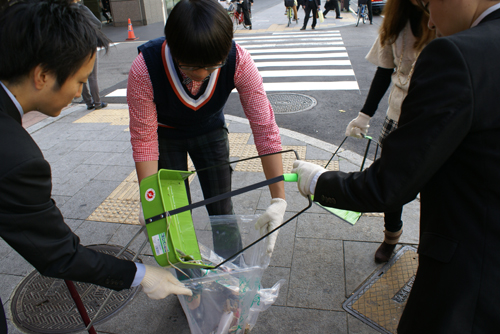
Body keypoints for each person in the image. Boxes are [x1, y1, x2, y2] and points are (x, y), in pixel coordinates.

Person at [292, 0, 500, 331]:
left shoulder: (457, 55)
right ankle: (391, 236)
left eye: (431, 4)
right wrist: (365, 114)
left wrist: (317, 181)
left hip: (468, 279)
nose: (431, 21)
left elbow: (388, 185)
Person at [0, 1, 193, 332]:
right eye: (80, 81)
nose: (80, 93)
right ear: (42, 75)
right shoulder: (17, 158)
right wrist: (143, 275)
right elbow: (60, 255)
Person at [127, 0, 286, 259]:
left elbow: (264, 127)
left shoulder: (239, 61)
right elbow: (144, 140)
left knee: (222, 206)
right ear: (172, 48)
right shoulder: (145, 68)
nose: (201, 74)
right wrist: (151, 201)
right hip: (165, 136)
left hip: (210, 130)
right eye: (190, 67)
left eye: (212, 66)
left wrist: (278, 199)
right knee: (175, 212)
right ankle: (189, 281)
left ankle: (231, 275)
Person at [344, 0, 434, 263]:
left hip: (433, 116)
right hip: (397, 114)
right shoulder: (395, 20)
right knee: (391, 182)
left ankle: (431, 244)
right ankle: (391, 236)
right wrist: (364, 116)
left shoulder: (442, 17)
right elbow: (384, 72)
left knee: (434, 185)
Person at [75, 0, 108, 110]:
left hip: (74, 47)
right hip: (87, 44)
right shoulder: (81, 8)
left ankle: (88, 102)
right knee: (92, 76)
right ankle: (97, 103)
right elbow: (98, 23)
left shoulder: (63, 11)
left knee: (81, 75)